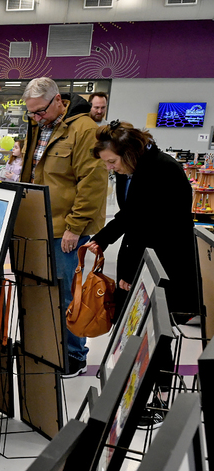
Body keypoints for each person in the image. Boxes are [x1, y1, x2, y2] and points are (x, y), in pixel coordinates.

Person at [19, 77, 106, 377]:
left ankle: (73, 355)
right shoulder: (39, 125)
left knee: (69, 294)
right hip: (36, 223)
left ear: (58, 100)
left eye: (39, 111)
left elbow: (93, 184)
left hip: (66, 229)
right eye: (30, 113)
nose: (35, 117)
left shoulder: (85, 131)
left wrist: (75, 226)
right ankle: (47, 348)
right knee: (40, 292)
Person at [83, 121, 199, 322]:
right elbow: (130, 214)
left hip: (161, 264)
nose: (109, 168)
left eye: (112, 161)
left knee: (153, 330)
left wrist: (131, 272)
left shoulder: (165, 170)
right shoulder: (130, 169)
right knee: (130, 328)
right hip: (138, 258)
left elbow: (159, 229)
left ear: (128, 152)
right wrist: (102, 239)